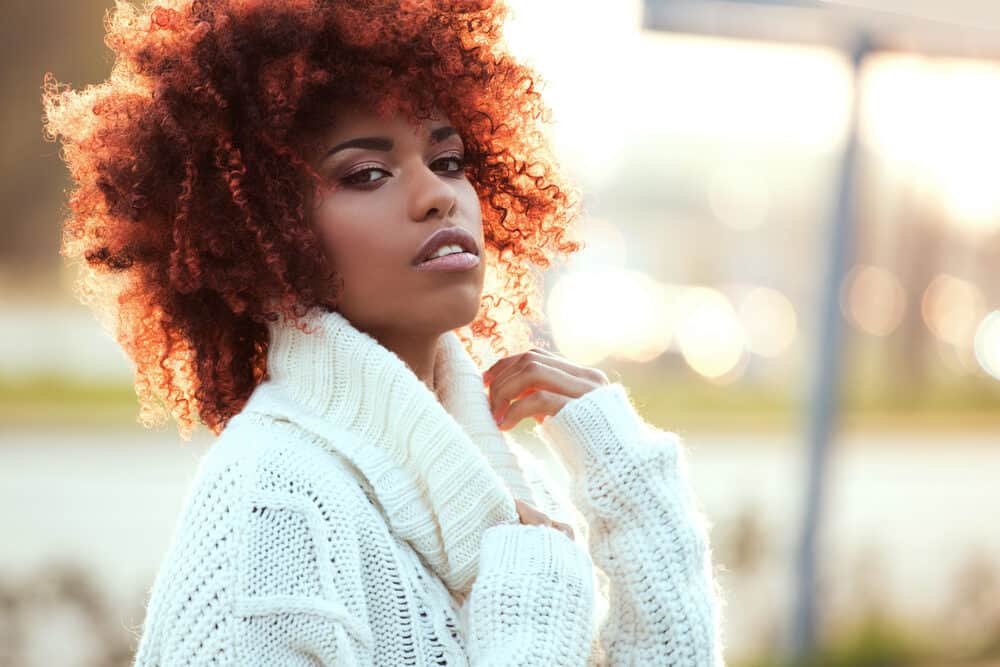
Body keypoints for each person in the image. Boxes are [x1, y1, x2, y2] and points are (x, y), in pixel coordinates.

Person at [41, 0, 726, 664]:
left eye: (449, 160)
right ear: (266, 234)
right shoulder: (272, 507)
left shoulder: (512, 481)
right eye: (367, 173)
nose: (437, 194)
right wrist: (533, 627)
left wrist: (637, 496)